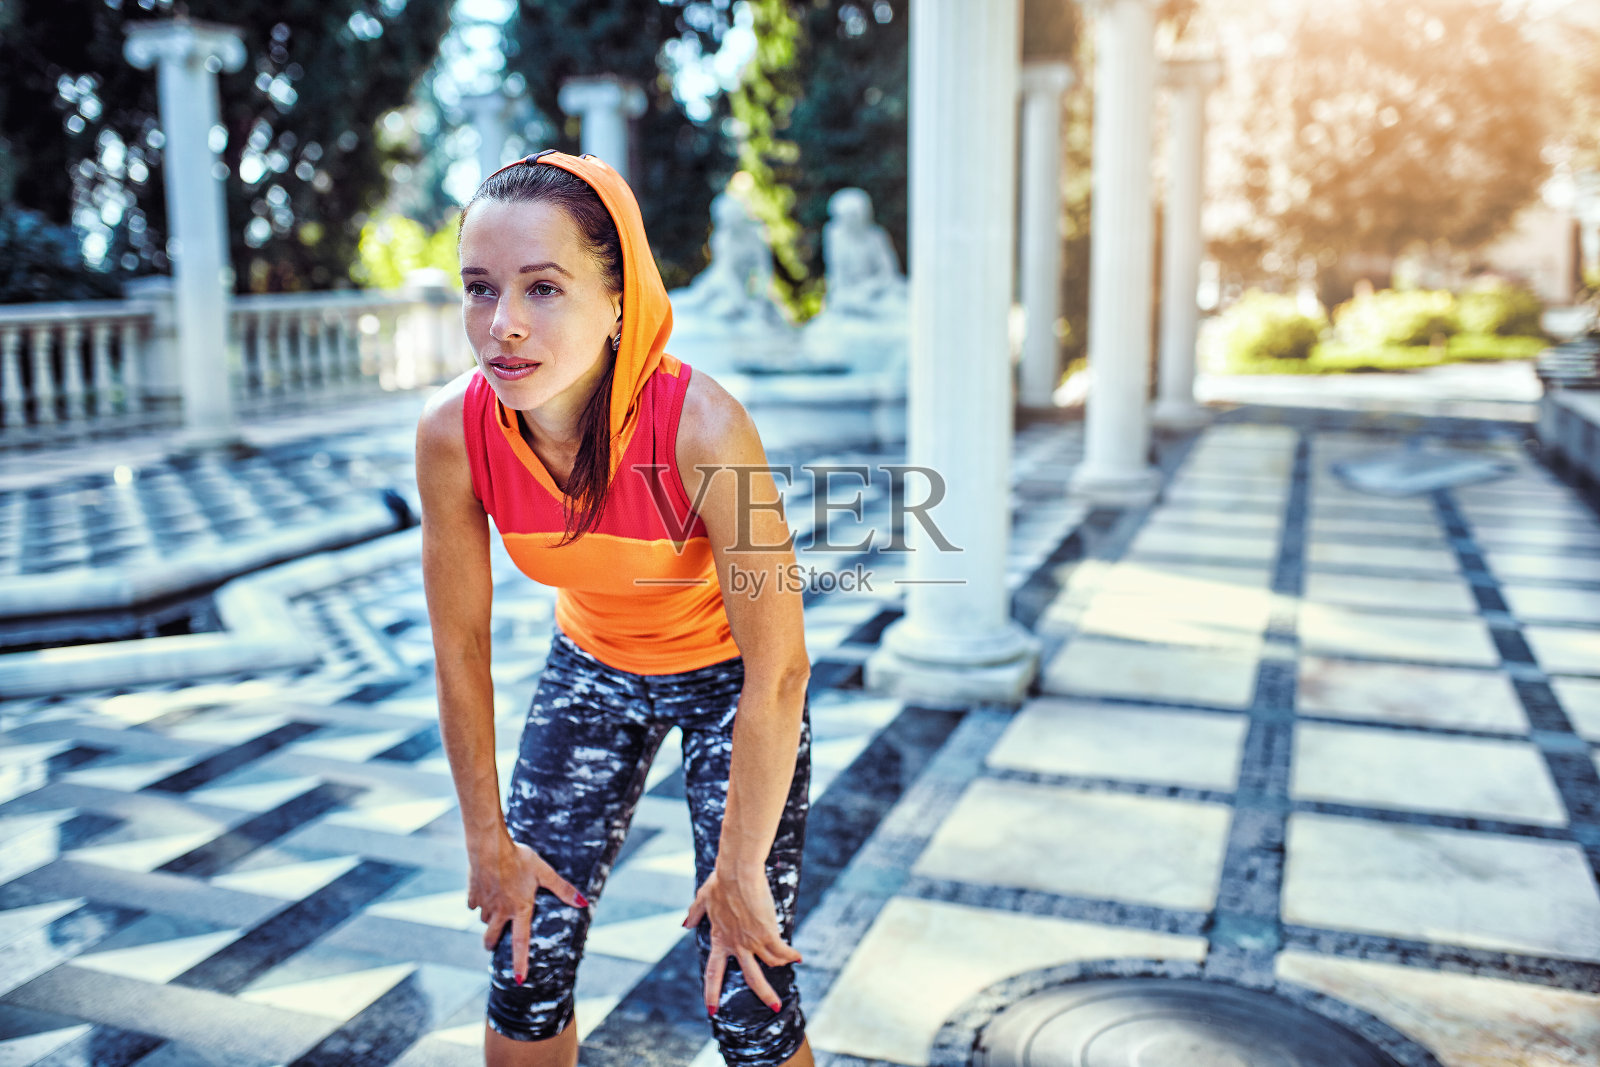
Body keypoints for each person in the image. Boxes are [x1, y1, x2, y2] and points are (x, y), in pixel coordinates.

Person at [415, 150, 814, 1067]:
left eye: (543, 289)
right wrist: (489, 840)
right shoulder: (453, 433)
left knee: (747, 990)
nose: (502, 325)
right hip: (593, 668)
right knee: (525, 964)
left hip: (731, 687)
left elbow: (779, 665)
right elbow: (460, 645)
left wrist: (741, 866)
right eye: (480, 289)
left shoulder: (706, 427)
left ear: (619, 297)